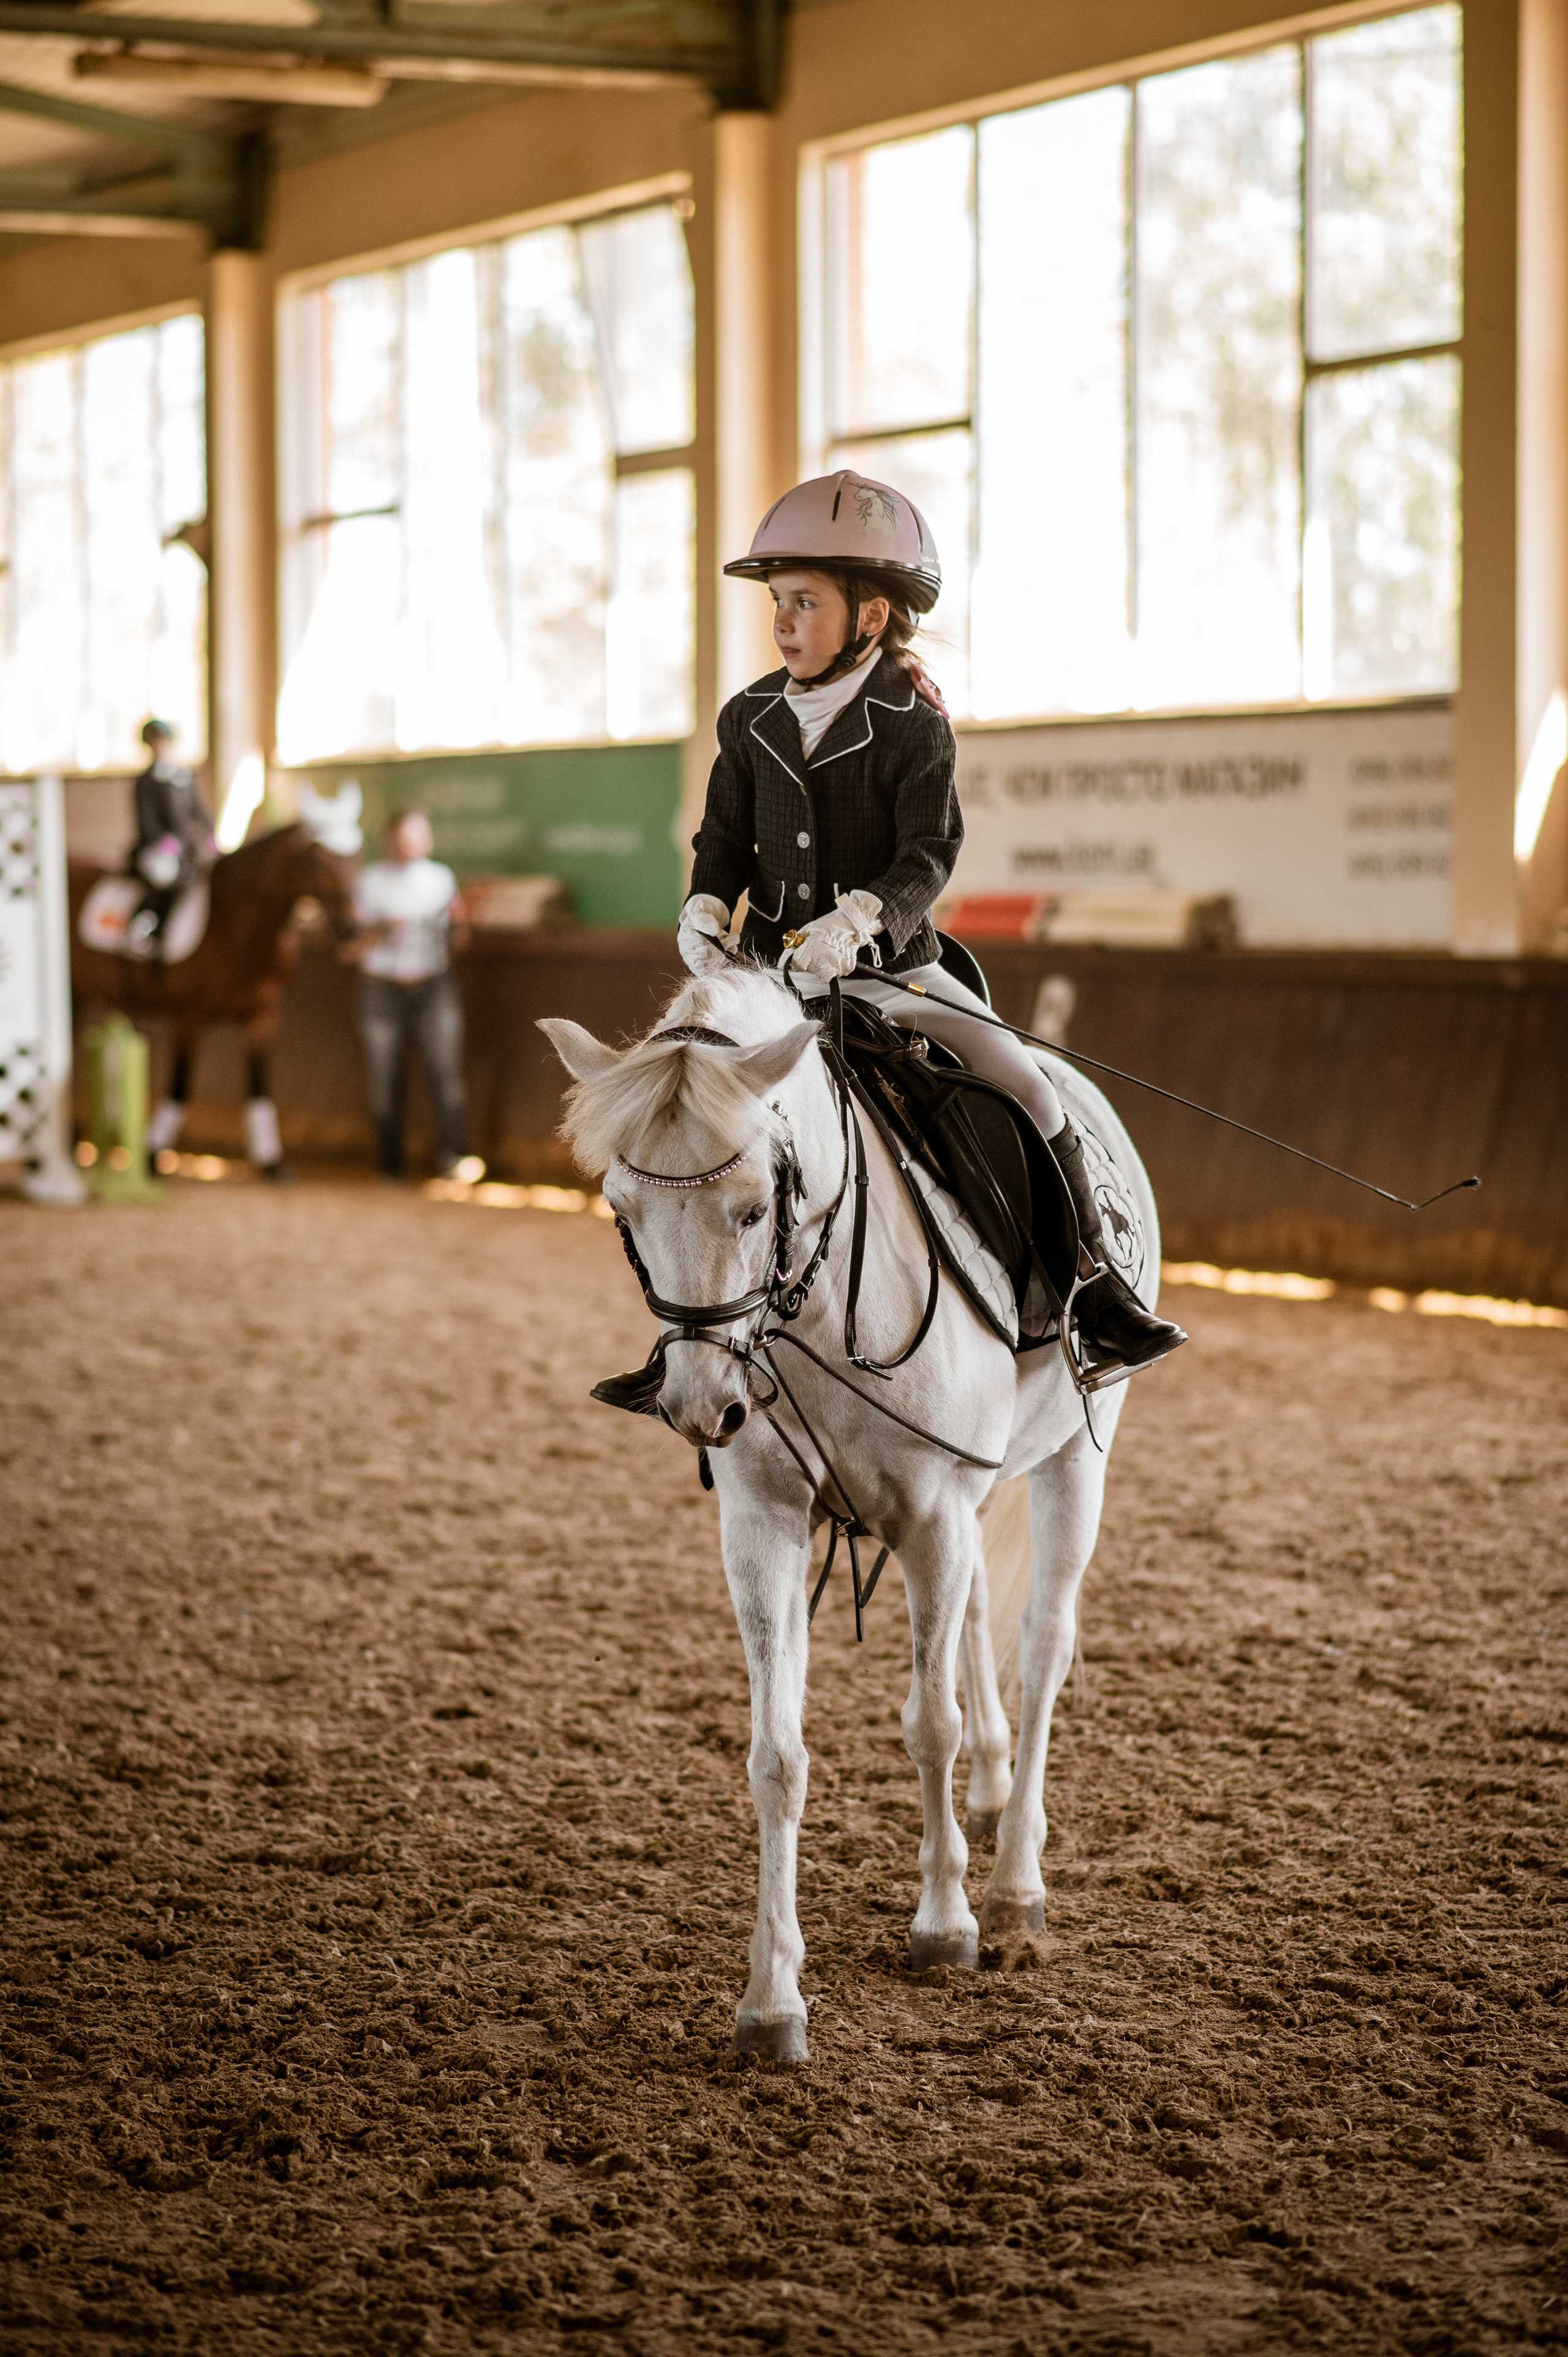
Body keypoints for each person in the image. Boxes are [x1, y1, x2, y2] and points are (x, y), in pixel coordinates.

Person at [678, 467, 1185, 1386]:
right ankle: (689, 1326)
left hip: (892, 974)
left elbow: (929, 853)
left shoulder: (915, 722)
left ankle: (1094, 1288)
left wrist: (862, 917)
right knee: (677, 1113)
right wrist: (706, 904)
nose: (783, 621)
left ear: (870, 616)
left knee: (1025, 1085)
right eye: (778, 603)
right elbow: (722, 839)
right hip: (766, 983)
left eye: (804, 602)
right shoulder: (748, 716)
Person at [347, 807, 478, 1182]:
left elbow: (460, 937)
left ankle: (455, 1157)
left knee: (446, 1074)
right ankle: (390, 1165)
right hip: (381, 989)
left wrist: (458, 927)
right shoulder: (369, 881)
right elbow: (351, 945)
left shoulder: (441, 879)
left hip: (434, 985)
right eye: (404, 837)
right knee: (384, 1081)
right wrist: (382, 930)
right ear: (389, 840)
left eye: (418, 835)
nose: (411, 844)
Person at [128, 717, 213, 948]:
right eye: (155, 742)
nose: (160, 746)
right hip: (158, 849)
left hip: (187, 848)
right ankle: (153, 930)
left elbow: (199, 811)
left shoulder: (183, 777)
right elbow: (146, 820)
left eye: (163, 741)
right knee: (164, 876)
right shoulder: (144, 783)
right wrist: (162, 841)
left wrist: (210, 835)